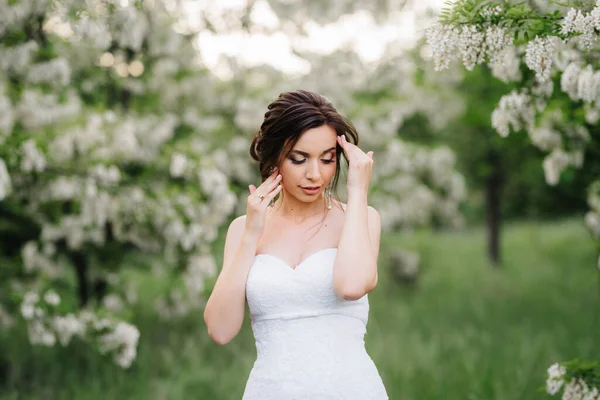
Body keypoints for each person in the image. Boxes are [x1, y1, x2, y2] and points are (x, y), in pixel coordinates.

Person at [203, 90, 388, 399]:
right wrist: (251, 233)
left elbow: (351, 286)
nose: (315, 174)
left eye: (328, 160)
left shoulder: (362, 218)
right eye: (298, 159)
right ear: (276, 157)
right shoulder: (242, 229)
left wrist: (358, 191)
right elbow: (220, 331)